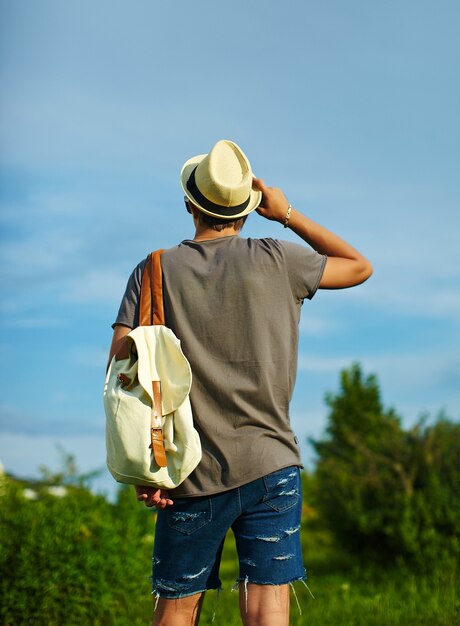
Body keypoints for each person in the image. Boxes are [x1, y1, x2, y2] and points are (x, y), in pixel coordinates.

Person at [107, 139, 372, 626]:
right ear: (249, 210)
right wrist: (287, 212)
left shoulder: (152, 271)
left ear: (190, 204)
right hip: (271, 464)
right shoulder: (278, 259)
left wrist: (148, 467)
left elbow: (121, 370)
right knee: (268, 610)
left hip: (188, 471)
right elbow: (359, 267)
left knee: (176, 610)